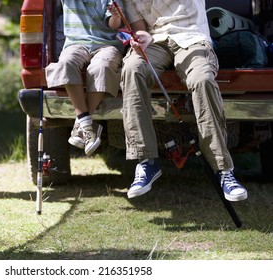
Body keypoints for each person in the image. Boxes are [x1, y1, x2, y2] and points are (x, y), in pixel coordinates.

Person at [119, 0, 248, 202]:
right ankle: (146, 161)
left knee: (202, 79)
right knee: (132, 69)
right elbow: (141, 30)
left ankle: (223, 170)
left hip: (192, 38)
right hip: (155, 42)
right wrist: (141, 37)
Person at [46, 0, 125, 156]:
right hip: (76, 44)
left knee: (102, 67)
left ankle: (82, 123)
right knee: (66, 63)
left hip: (107, 44)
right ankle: (87, 124)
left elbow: (113, 25)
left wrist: (116, 15)